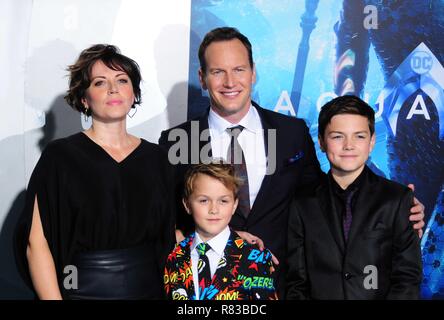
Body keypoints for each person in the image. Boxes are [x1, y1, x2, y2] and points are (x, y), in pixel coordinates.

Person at [158, 27, 425, 297]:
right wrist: (215, 237)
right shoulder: (176, 141)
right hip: (207, 290)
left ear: (253, 73)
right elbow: (159, 219)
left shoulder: (291, 133)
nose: (230, 82)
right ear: (202, 78)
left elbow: (326, 195)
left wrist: (398, 208)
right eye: (218, 72)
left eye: (239, 69)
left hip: (285, 288)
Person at [14, 44, 175, 300]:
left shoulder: (157, 158)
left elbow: (174, 234)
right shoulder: (60, 157)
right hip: (81, 291)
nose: (113, 88)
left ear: (133, 93)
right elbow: (37, 244)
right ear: (84, 99)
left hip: (151, 290)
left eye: (122, 80)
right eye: (100, 83)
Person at [286, 95, 422, 299]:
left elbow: (407, 278)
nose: (349, 145)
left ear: (372, 141)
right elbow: (296, 281)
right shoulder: (302, 203)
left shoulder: (397, 199)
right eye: (338, 136)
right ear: (322, 142)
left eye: (359, 136)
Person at [164, 162, 276, 300]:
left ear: (234, 205)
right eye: (204, 200)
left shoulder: (256, 257)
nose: (214, 209)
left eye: (223, 201)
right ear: (187, 205)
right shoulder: (173, 256)